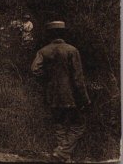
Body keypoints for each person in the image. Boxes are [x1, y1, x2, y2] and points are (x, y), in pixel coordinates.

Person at [31, 21, 90, 162]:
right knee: (79, 125)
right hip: (71, 95)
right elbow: (78, 78)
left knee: (59, 124)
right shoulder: (72, 50)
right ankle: (63, 153)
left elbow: (35, 70)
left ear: (50, 34)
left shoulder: (43, 51)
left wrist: (48, 79)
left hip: (51, 94)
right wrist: (84, 98)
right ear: (63, 33)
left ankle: (63, 156)